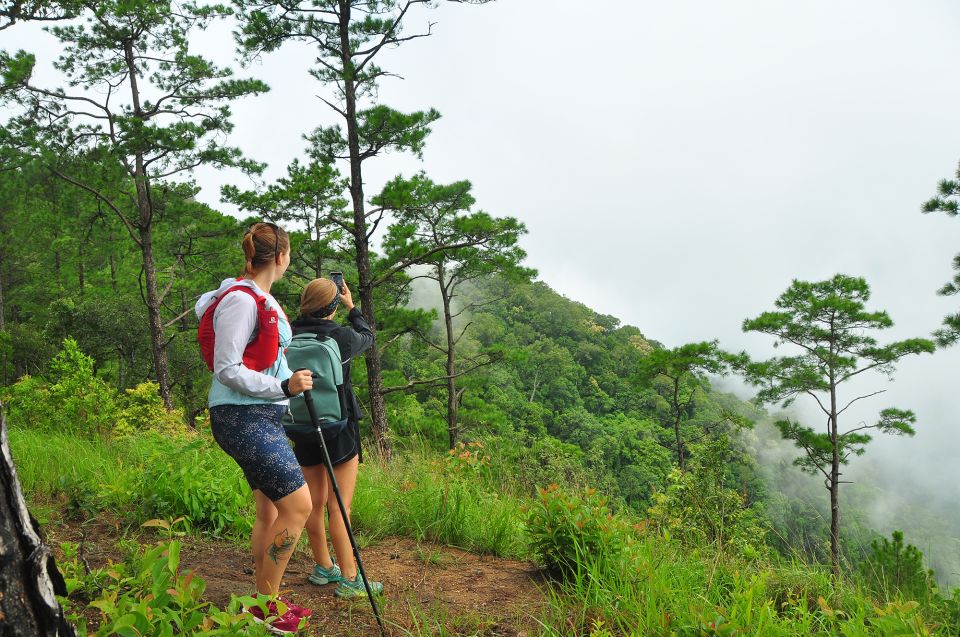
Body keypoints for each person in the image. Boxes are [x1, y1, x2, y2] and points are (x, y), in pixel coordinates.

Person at [195, 222, 313, 633]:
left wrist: (281, 387)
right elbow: (227, 369)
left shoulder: (258, 298)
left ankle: (264, 601)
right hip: (242, 416)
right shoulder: (242, 302)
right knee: (298, 507)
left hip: (259, 415)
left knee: (270, 509)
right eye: (290, 253)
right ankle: (265, 607)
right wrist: (282, 385)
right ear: (280, 256)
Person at [285, 277, 384, 598]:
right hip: (338, 429)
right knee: (340, 507)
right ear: (332, 306)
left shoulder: (289, 334)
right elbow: (368, 337)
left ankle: (324, 567)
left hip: (301, 426)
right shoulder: (341, 336)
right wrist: (352, 307)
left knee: (313, 503)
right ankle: (351, 579)